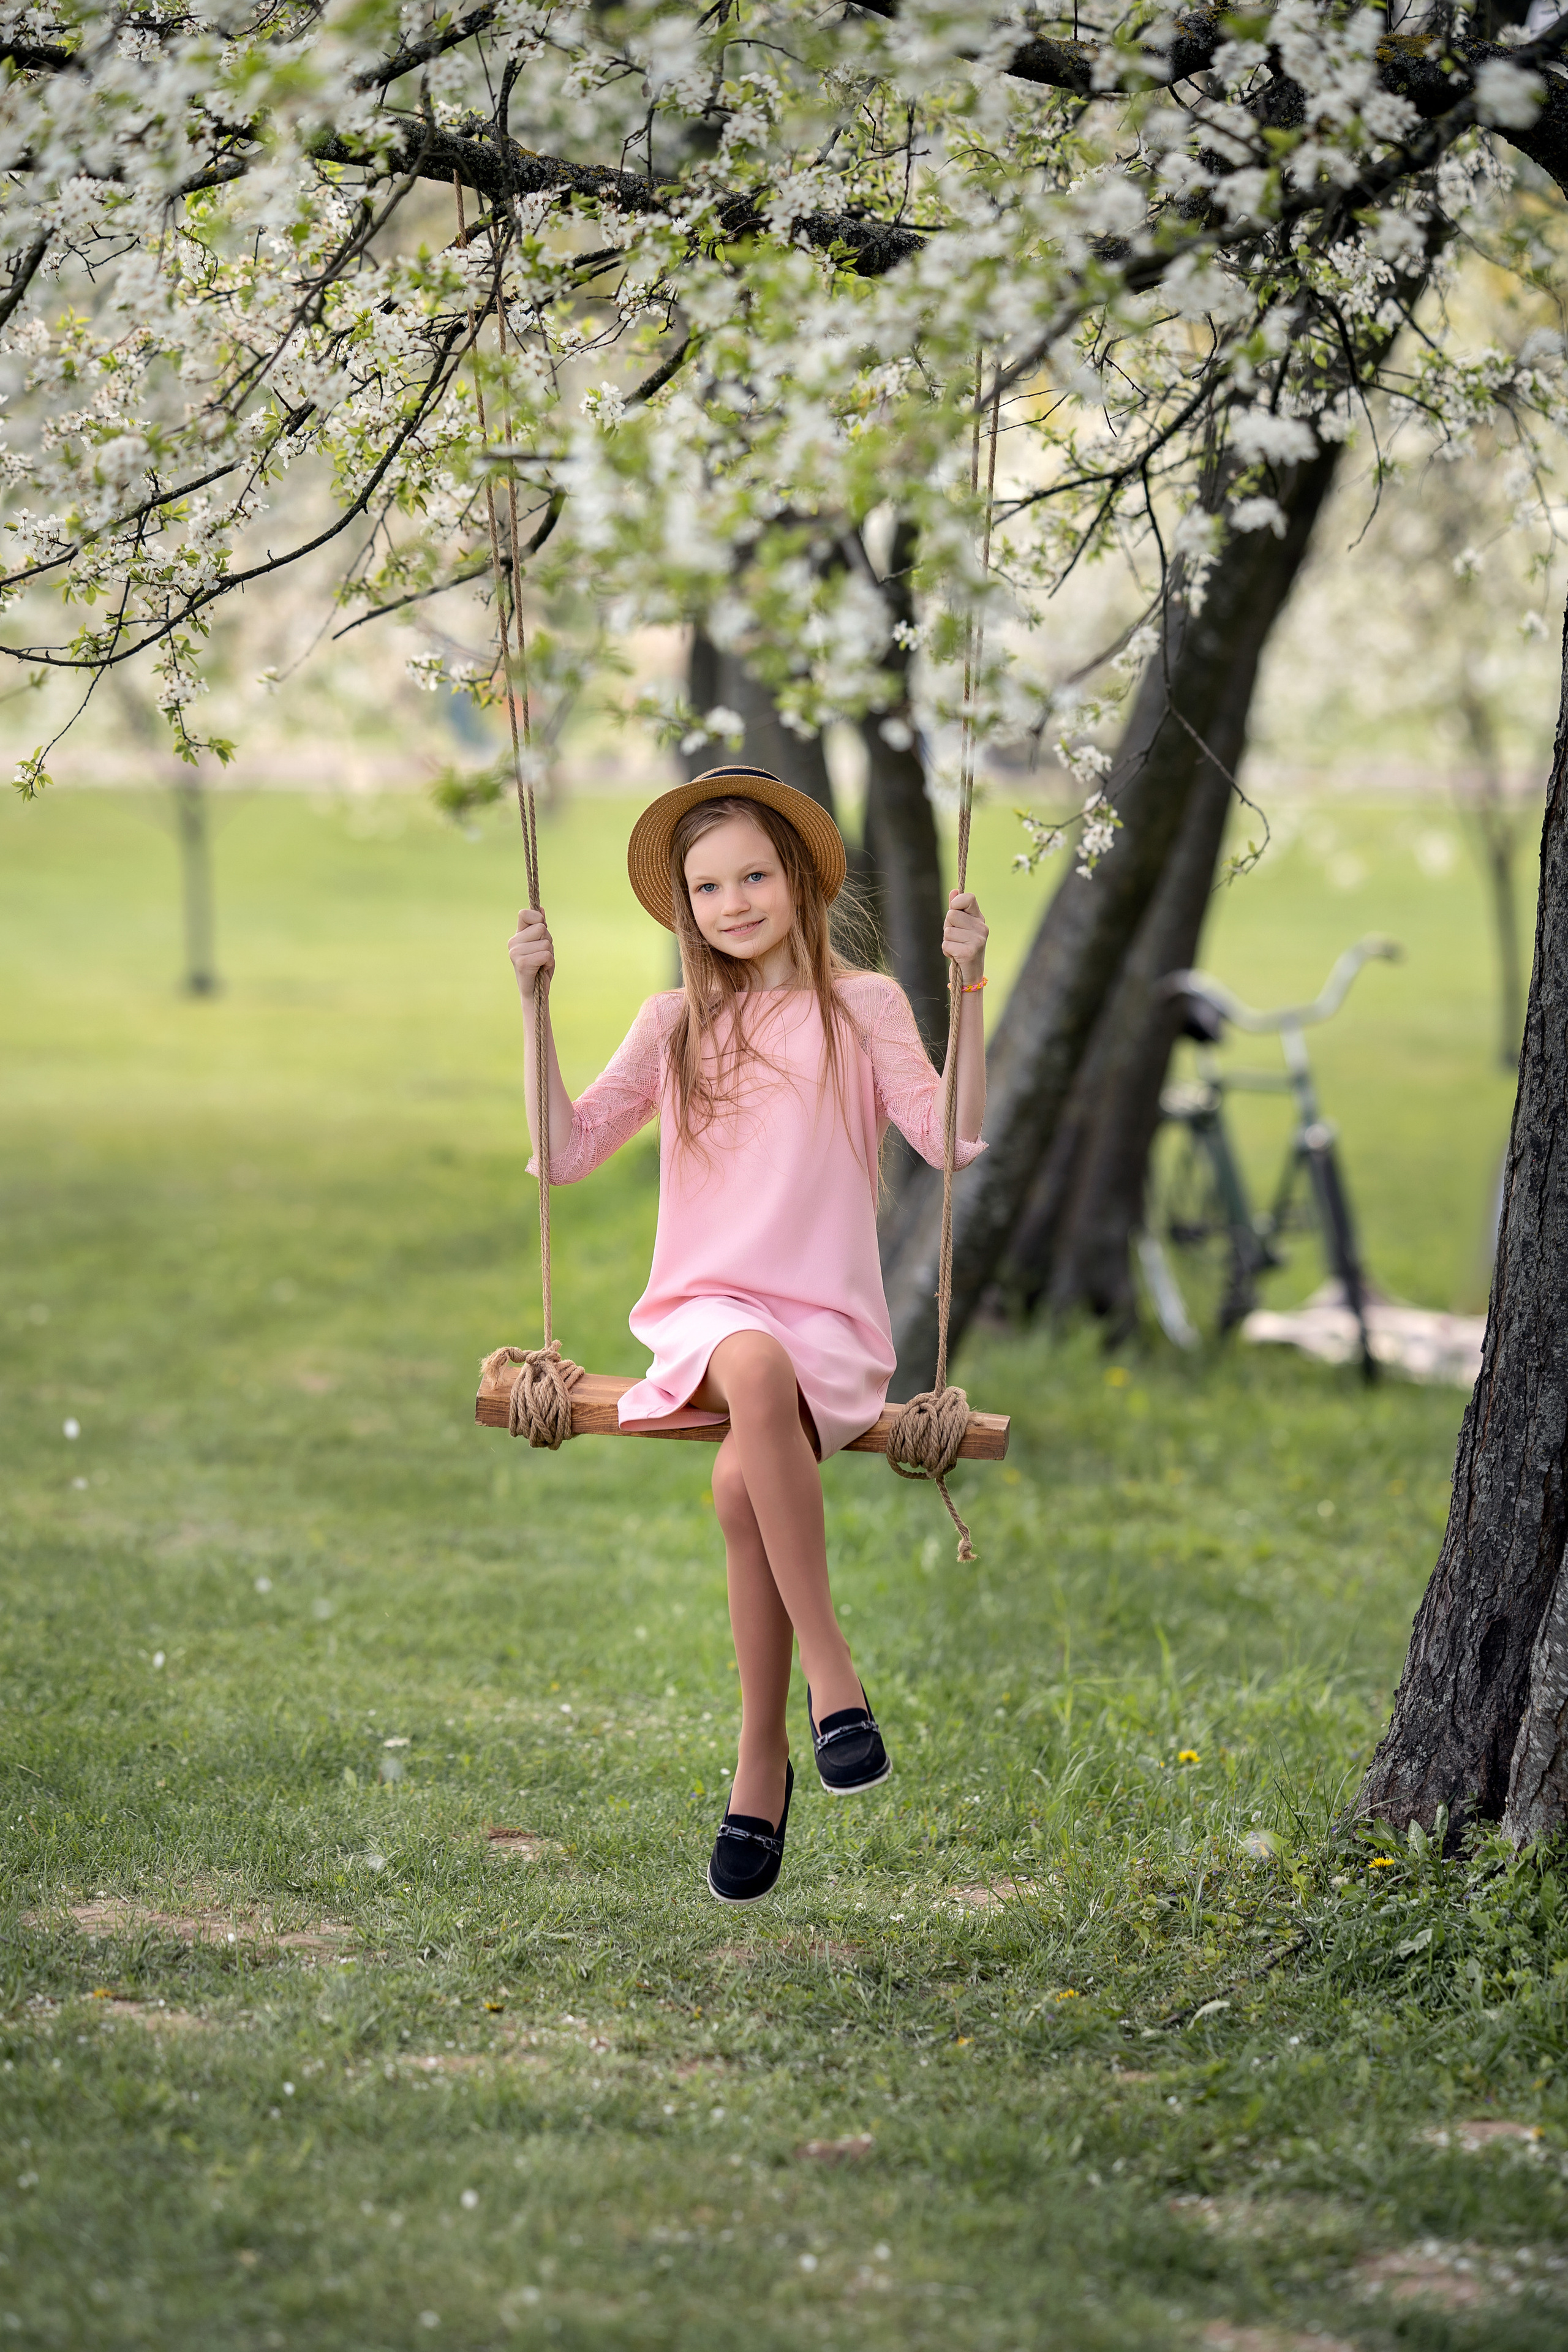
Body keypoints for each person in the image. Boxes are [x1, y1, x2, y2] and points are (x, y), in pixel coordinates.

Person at [507, 766, 988, 1904]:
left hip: (828, 1321)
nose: (732, 903)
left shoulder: (862, 1006)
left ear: (801, 881)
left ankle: (757, 1769)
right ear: (685, 907)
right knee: (752, 1367)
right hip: (708, 1312)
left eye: (754, 876)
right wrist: (532, 1005)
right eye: (707, 886)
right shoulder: (673, 1024)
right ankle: (836, 1681)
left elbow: (948, 1133)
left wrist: (968, 987)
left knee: (741, 1491)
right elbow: (565, 1149)